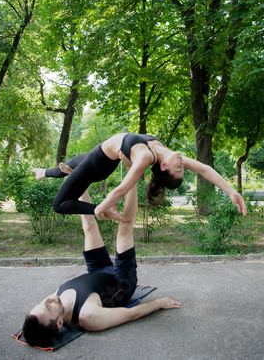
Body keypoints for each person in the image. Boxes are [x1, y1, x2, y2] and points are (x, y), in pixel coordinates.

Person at [22, 187, 181, 348]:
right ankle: (132, 173)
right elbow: (132, 314)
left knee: (89, 227)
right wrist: (159, 303)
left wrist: (76, 178)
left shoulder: (50, 305)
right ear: (60, 323)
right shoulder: (88, 316)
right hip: (122, 281)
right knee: (125, 227)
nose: (47, 300)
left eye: (40, 304)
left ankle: (80, 178)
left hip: (97, 270)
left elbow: (40, 316)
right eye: (48, 307)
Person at [31, 132, 247, 222]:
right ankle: (44, 173)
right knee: (67, 165)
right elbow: (205, 169)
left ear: (163, 166)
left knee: (59, 205)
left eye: (179, 168)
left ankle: (100, 208)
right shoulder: (164, 151)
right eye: (183, 167)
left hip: (98, 166)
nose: (183, 163)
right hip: (98, 154)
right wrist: (231, 191)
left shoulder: (145, 156)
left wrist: (101, 208)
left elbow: (122, 189)